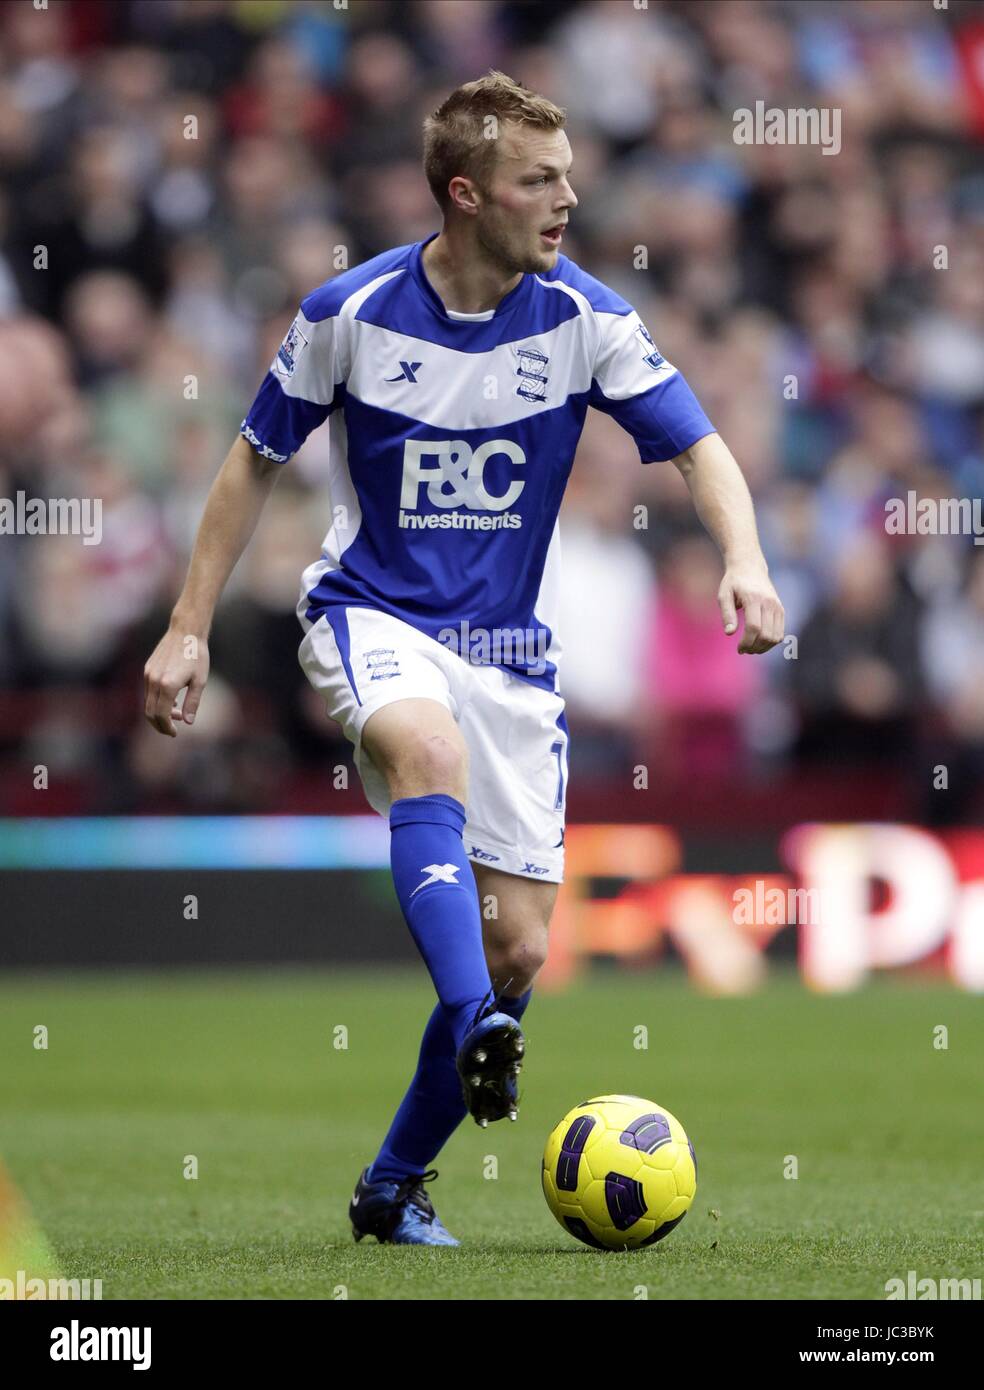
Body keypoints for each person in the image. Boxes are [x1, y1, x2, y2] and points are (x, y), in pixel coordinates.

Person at [143, 71, 784, 1246]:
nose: (568, 201)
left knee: (524, 946)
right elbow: (251, 462)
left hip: (507, 654)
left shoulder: (582, 315)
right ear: (466, 193)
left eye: (570, 176)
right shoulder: (352, 312)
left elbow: (701, 447)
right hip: (371, 612)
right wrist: (189, 625)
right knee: (423, 755)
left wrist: (742, 556)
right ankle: (473, 1018)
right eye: (541, 181)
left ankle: (392, 1186)